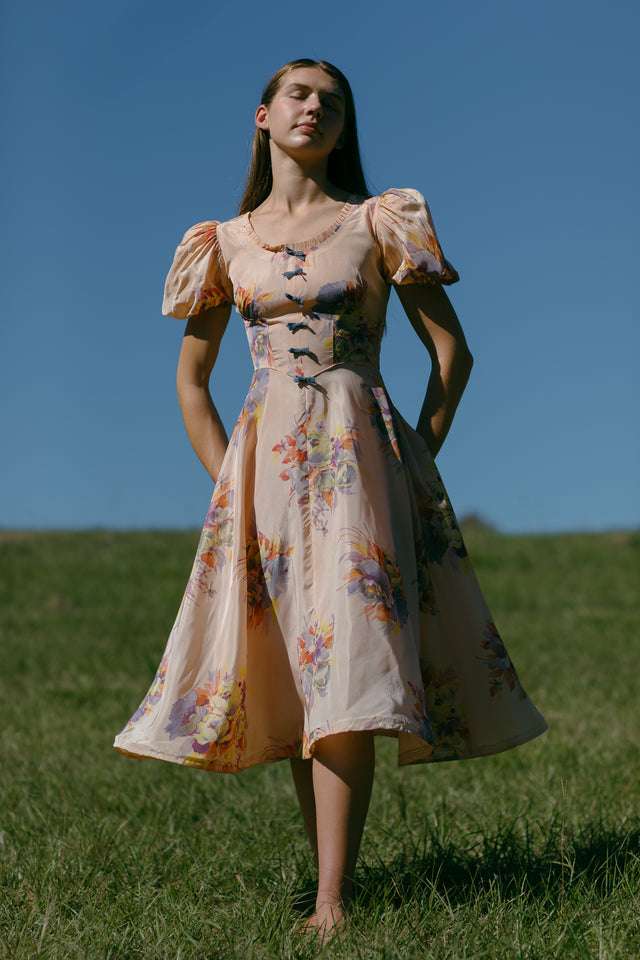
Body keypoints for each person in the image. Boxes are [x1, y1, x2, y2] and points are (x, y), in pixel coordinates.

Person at [114, 58, 547, 937]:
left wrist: (412, 454)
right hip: (264, 479)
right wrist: (231, 485)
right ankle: (329, 887)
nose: (314, 108)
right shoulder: (223, 242)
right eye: (298, 96)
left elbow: (451, 354)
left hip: (363, 468)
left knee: (346, 664)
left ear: (344, 126)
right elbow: (191, 383)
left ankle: (331, 903)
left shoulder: (376, 221)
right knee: (296, 672)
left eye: (332, 102)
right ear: (264, 117)